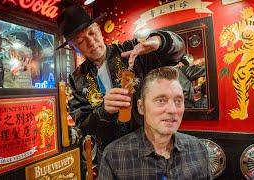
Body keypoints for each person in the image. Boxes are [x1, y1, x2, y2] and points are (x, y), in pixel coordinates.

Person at [56, 4, 185, 163]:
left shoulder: (132, 51)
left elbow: (177, 52)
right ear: (73, 47)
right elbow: (83, 124)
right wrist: (103, 111)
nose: (90, 42)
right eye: (81, 41)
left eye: (92, 32)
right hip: (110, 157)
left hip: (150, 150)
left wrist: (159, 41)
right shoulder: (77, 78)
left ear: (99, 30)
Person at [98, 66, 212, 179]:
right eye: (161, 100)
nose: (173, 110)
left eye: (178, 101)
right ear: (141, 107)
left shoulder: (198, 150)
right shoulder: (115, 157)